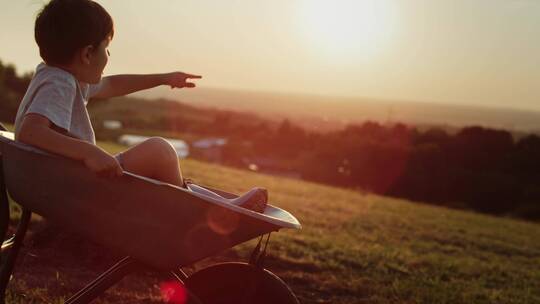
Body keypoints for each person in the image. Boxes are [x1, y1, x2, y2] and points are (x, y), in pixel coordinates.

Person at [14, 0, 267, 213]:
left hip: (64, 183)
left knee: (161, 162)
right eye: (107, 48)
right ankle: (207, 212)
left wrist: (163, 78)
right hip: (72, 188)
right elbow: (30, 131)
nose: (109, 57)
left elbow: (113, 85)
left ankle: (221, 206)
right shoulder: (61, 83)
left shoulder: (63, 77)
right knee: (159, 151)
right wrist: (89, 153)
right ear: (88, 54)